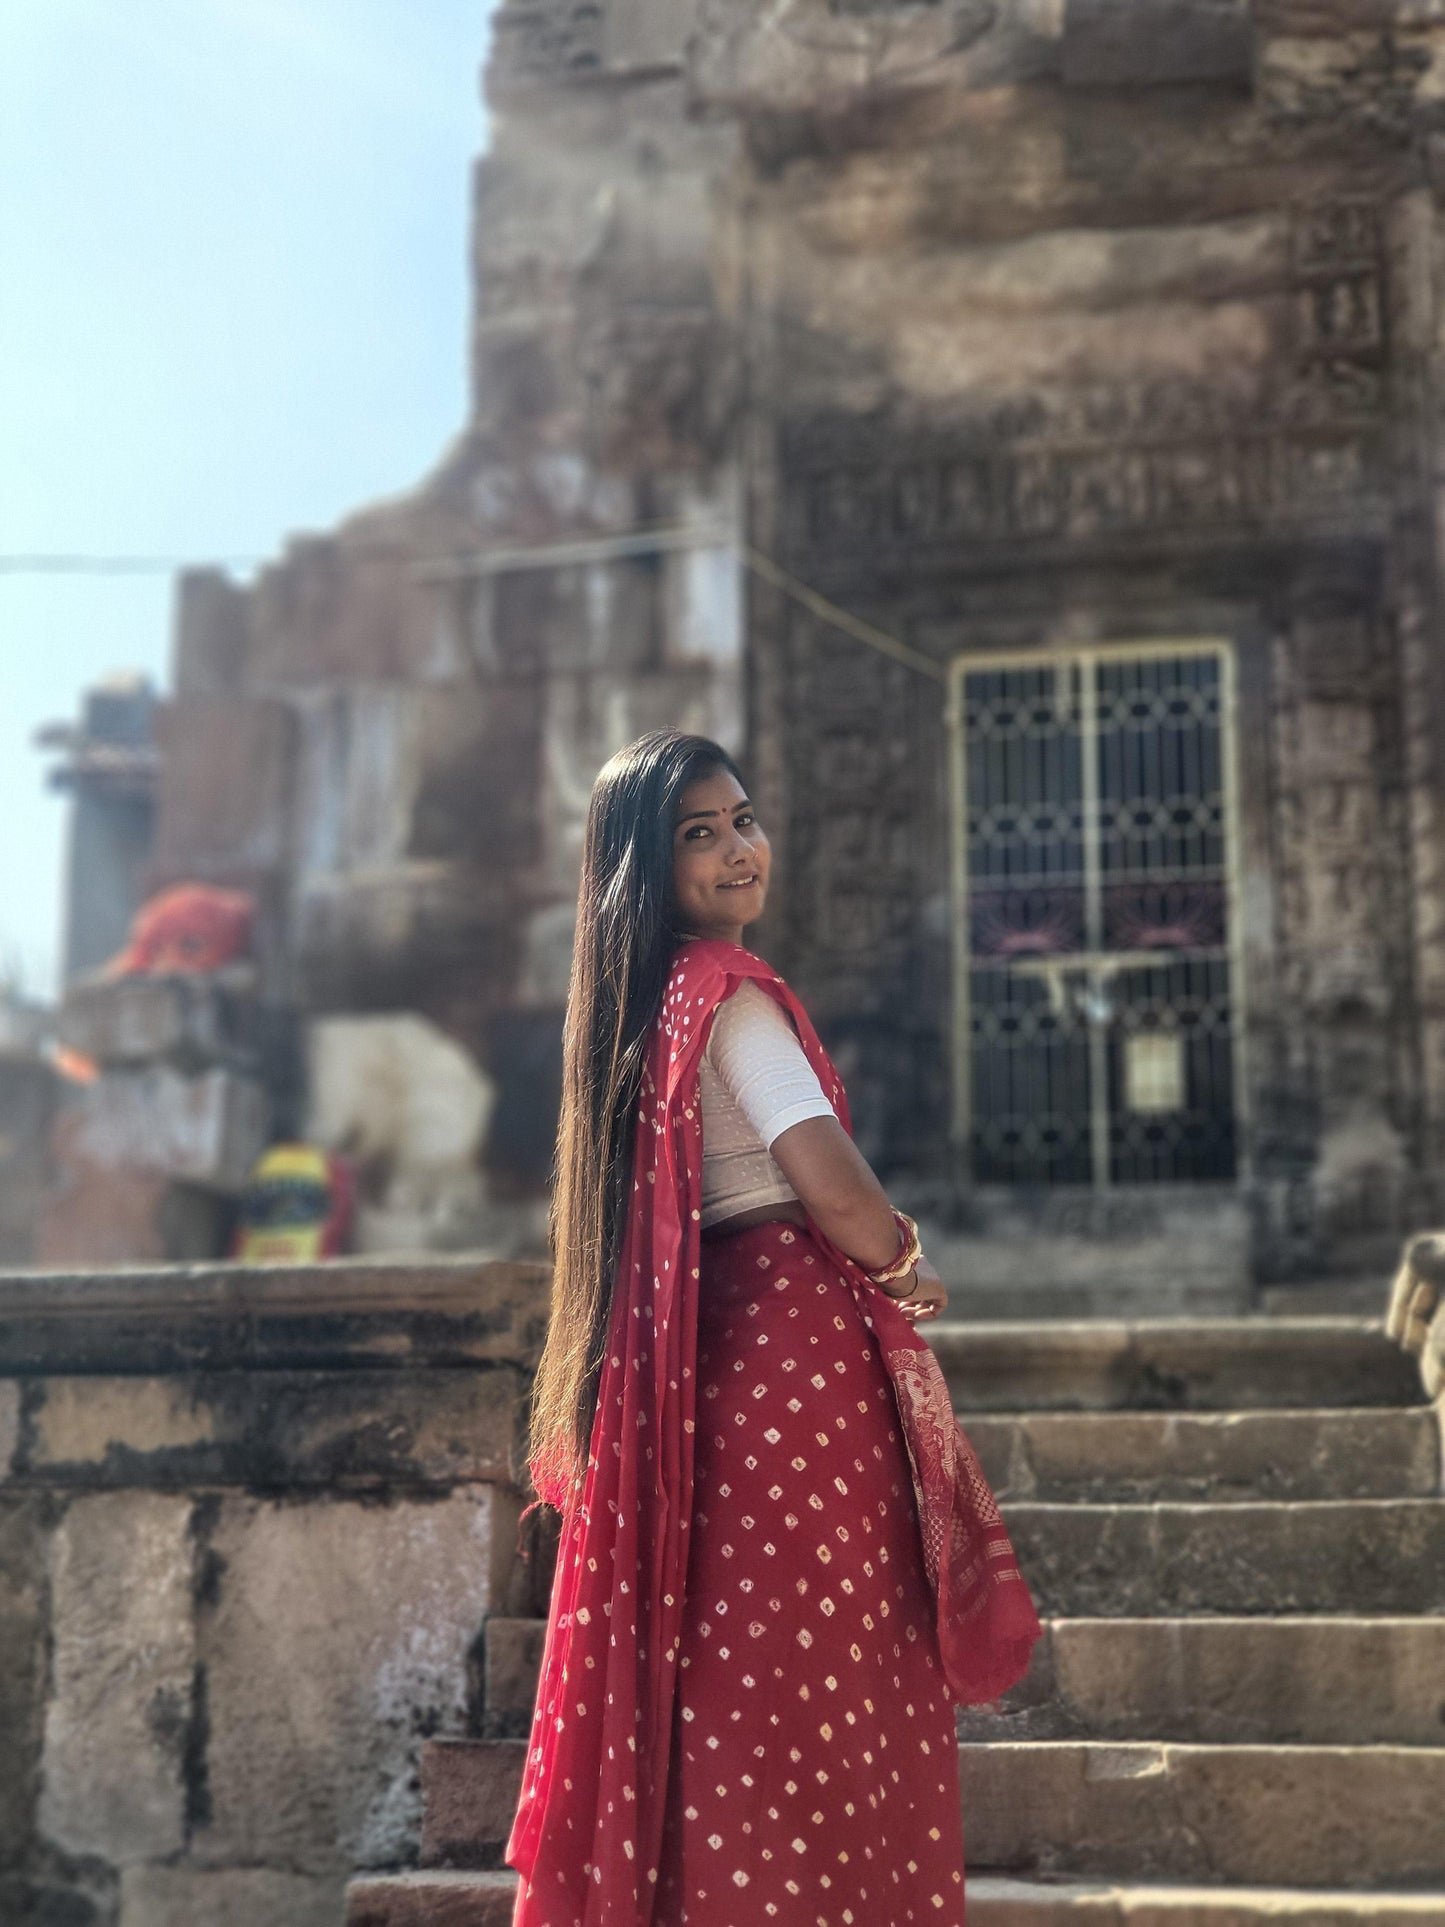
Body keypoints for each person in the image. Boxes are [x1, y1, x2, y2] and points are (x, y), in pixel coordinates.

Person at [506, 730, 1040, 1926]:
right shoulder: (730, 999)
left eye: (742, 818)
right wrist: (902, 1260)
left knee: (734, 1692)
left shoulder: (631, 1018)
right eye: (698, 833)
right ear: (646, 866)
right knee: (827, 1688)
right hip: (794, 1372)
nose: (738, 848)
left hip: (709, 1365)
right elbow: (828, 1181)